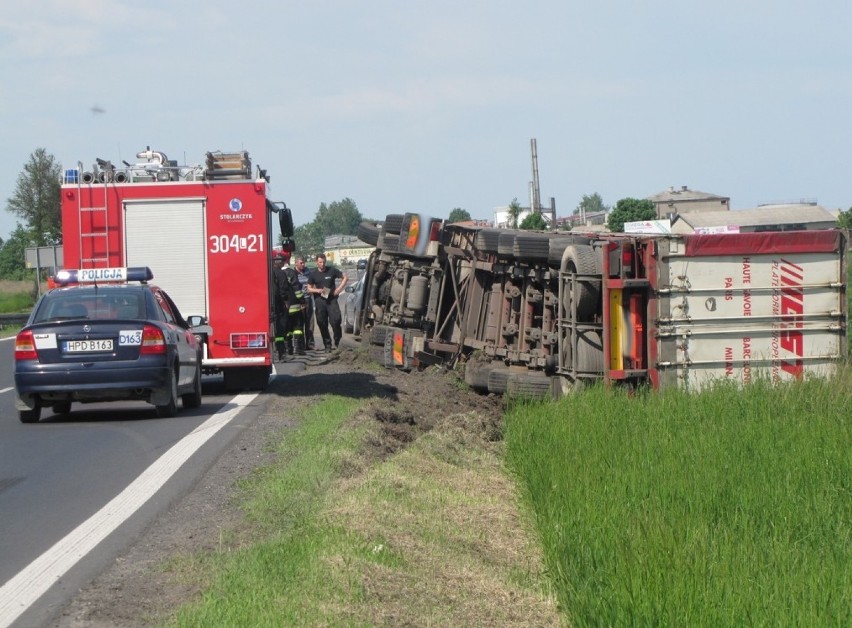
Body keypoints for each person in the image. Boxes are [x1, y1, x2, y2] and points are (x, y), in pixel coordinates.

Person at [306, 253, 347, 352]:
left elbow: (345, 277)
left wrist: (338, 289)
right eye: (320, 262)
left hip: (331, 300)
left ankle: (338, 342)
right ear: (317, 263)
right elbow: (309, 289)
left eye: (324, 262)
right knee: (322, 323)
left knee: (336, 321)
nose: (322, 264)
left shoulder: (332, 270)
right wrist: (318, 291)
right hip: (320, 301)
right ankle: (327, 344)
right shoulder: (313, 274)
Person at [272, 251, 306, 359]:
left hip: (277, 307)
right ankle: (297, 349)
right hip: (291, 305)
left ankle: (286, 349)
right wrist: (302, 301)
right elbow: (296, 289)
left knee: (284, 330)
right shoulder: (289, 273)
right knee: (297, 327)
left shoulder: (270, 272)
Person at [294, 255, 315, 350]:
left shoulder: (308, 271)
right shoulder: (293, 273)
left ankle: (310, 343)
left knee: (310, 322)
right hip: (298, 301)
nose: (303, 265)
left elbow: (313, 282)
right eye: (301, 263)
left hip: (308, 299)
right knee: (300, 323)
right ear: (296, 263)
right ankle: (300, 345)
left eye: (304, 263)